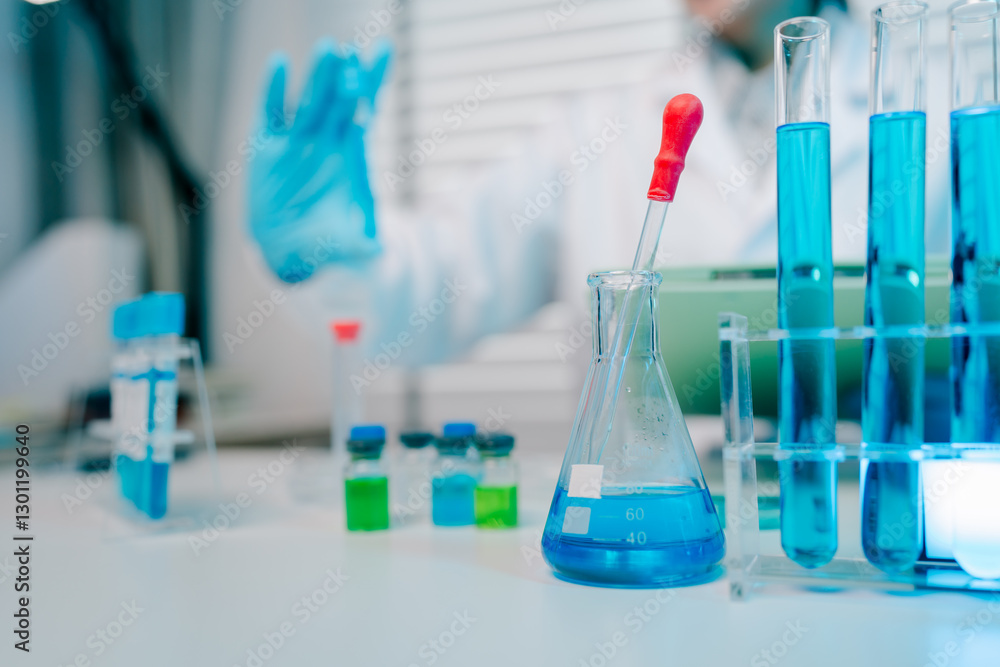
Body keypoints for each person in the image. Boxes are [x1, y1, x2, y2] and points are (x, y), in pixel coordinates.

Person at [247, 0, 949, 365]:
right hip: (647, 571)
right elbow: (434, 282)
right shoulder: (597, 133)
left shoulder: (944, 123)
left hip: (878, 565)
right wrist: (324, 253)